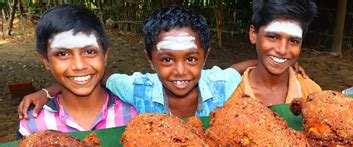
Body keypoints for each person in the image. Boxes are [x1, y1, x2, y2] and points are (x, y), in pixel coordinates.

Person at [18, 5, 258, 119]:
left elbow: (239, 68)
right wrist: (48, 92)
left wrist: (283, 65)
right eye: (166, 59)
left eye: (192, 58)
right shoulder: (136, 88)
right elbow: (92, 75)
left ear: (206, 56)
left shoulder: (220, 83)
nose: (180, 71)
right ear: (150, 60)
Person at [17, 4, 137, 138]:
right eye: (63, 54)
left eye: (89, 52)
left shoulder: (136, 112)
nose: (79, 66)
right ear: (46, 60)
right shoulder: (33, 126)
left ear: (105, 55)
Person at [228, 0, 321, 106]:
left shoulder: (311, 93)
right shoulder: (228, 93)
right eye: (273, 37)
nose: (282, 50)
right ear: (253, 34)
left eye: (293, 41)